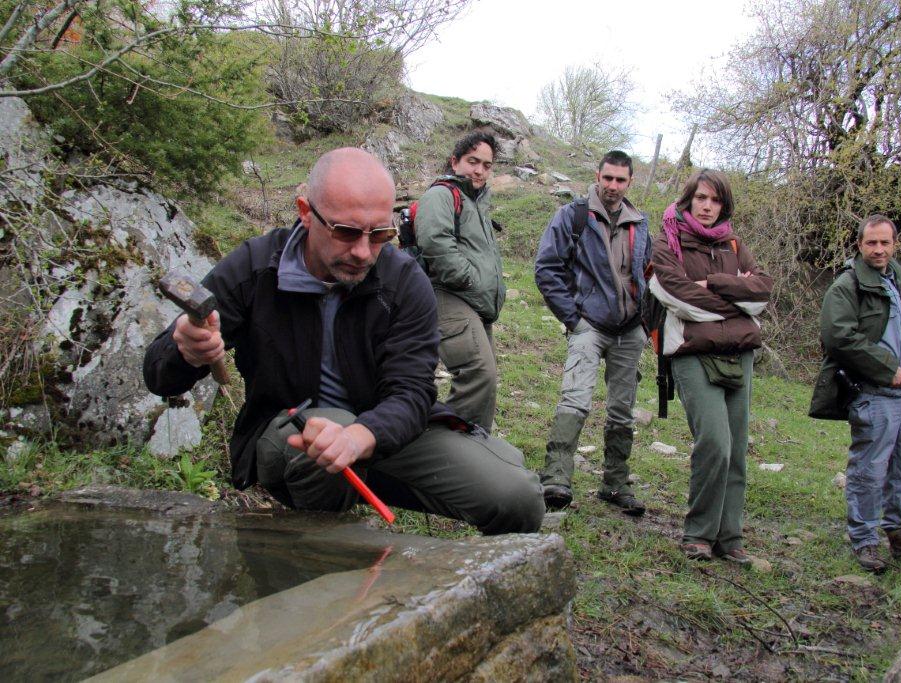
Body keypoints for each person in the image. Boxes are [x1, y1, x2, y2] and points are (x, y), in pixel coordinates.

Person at [143, 148, 543, 535]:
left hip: (376, 434)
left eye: (380, 234)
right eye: (346, 232)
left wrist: (361, 437)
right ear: (305, 213)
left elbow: (412, 391)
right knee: (328, 432)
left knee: (517, 495)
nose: (363, 252)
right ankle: (323, 567)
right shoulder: (255, 267)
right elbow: (160, 377)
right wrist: (185, 351)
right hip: (291, 434)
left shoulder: (404, 281)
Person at [648, 169, 772, 564]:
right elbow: (675, 296)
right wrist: (736, 295)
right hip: (692, 353)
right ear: (688, 200)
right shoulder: (667, 243)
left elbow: (763, 291)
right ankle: (699, 532)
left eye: (715, 200)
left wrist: (714, 284)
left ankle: (729, 536)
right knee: (715, 443)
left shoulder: (734, 243)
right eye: (701, 198)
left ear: (724, 205)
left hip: (741, 354)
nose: (707, 206)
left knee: (736, 448)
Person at [812, 214, 901, 572]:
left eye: (885, 242)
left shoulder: (900, 281)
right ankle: (865, 541)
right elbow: (838, 337)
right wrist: (888, 369)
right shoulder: (847, 285)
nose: (878, 249)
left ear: (894, 244)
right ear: (859, 244)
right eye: (871, 243)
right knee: (868, 470)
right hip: (872, 392)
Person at [534, 150, 652, 515]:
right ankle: (556, 477)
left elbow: (648, 275)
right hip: (588, 324)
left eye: (620, 180)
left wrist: (647, 324)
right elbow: (546, 269)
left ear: (630, 182)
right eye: (608, 178)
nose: (613, 186)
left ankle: (615, 484)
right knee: (575, 399)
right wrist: (573, 318)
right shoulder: (574, 215)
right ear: (597, 176)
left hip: (630, 329)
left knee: (622, 411)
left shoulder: (641, 224)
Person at [414, 132, 505, 431]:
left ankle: (476, 446)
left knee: (485, 378)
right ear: (455, 162)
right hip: (449, 295)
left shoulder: (477, 202)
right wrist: (471, 281)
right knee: (479, 374)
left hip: (473, 301)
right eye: (472, 161)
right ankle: (451, 451)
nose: (479, 170)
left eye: (487, 165)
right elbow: (434, 241)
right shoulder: (441, 194)